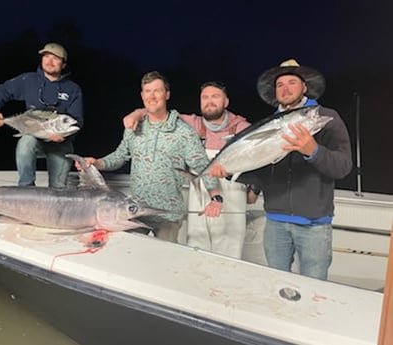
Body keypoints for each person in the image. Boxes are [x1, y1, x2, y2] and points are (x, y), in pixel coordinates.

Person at [209, 59, 353, 280]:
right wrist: (228, 171)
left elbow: (343, 166)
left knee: (314, 288)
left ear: (304, 87)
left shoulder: (326, 118)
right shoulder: (270, 123)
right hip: (275, 221)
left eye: (292, 82)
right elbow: (263, 169)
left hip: (314, 224)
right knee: (276, 284)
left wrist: (313, 151)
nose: (285, 89)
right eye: (280, 85)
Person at [77, 71, 223, 242]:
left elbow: (201, 165)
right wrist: (97, 163)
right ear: (142, 95)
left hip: (168, 216)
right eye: (147, 91)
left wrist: (216, 197)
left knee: (164, 264)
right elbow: (119, 156)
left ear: (167, 94)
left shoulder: (184, 132)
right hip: (135, 212)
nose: (152, 96)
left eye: (157, 91)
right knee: (133, 258)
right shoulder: (134, 127)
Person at [123, 81, 252, 258]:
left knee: (229, 249)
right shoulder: (193, 124)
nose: (209, 101)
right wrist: (136, 113)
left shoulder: (242, 128)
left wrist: (253, 190)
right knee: (197, 246)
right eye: (205, 97)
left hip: (231, 195)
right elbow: (159, 112)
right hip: (199, 193)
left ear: (226, 102)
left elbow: (256, 161)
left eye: (215, 96)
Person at [0, 42, 84, 188]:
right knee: (26, 142)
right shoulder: (29, 80)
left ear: (63, 64)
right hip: (34, 139)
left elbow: (77, 121)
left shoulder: (73, 89)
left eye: (55, 58)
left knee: (58, 188)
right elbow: (3, 91)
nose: (49, 61)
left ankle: (55, 194)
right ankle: (26, 188)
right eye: (46, 56)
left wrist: (65, 136)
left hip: (60, 143)